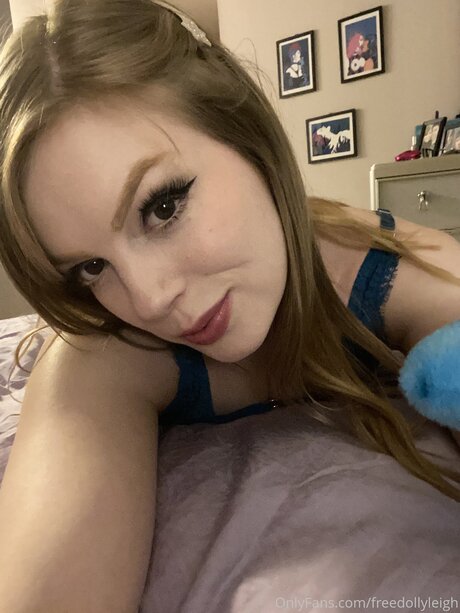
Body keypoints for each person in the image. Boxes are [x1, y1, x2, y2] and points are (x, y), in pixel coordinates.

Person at [0, 0, 459, 610]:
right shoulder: (111, 349)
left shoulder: (402, 270)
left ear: (246, 133)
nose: (149, 300)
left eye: (162, 207)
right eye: (91, 267)